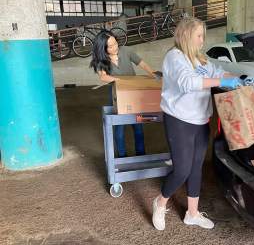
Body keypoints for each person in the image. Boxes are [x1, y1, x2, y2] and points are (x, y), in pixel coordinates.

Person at [152, 17, 243, 230]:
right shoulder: (175, 57)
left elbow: (218, 73)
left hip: (201, 119)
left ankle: (192, 213)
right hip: (179, 120)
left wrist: (239, 79)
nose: (202, 41)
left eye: (203, 36)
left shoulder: (200, 59)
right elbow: (187, 83)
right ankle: (160, 201)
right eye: (199, 36)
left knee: (196, 168)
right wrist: (222, 82)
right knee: (182, 170)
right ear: (186, 35)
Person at [90, 30, 158, 157]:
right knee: (119, 128)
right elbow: (103, 77)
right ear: (103, 48)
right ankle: (122, 156)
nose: (115, 47)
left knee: (138, 125)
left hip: (133, 94)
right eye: (110, 46)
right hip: (117, 94)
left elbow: (141, 63)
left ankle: (141, 154)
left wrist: (153, 73)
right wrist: (119, 80)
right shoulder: (101, 59)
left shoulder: (126, 51)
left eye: (115, 43)